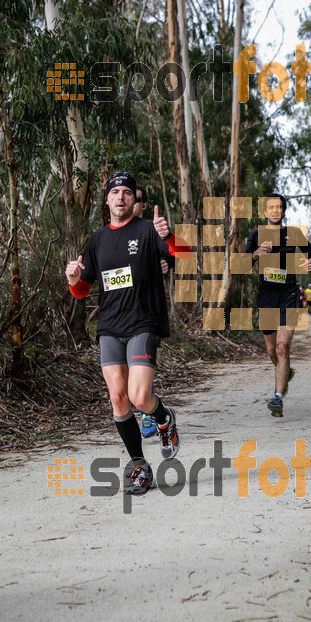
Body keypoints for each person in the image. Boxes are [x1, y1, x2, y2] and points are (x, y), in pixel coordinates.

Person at [65, 171, 189, 495]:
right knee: (118, 400)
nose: (121, 197)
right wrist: (73, 278)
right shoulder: (97, 240)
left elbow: (185, 257)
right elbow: (82, 291)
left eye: (127, 193)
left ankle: (164, 418)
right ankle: (139, 466)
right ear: (106, 199)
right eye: (115, 192)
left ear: (134, 199)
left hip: (142, 324)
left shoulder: (148, 230)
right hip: (109, 327)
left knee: (138, 397)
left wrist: (171, 236)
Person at [244, 194, 311, 418]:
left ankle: (277, 397)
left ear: (284, 211)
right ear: (265, 212)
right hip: (266, 295)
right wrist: (255, 254)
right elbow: (243, 263)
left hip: (289, 294)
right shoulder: (256, 234)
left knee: (282, 347)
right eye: (271, 208)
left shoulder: (293, 233)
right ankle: (285, 373)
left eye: (279, 207)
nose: (275, 211)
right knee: (271, 350)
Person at [133, 186, 175, 439]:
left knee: (140, 367)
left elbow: (176, 253)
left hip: (146, 313)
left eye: (136, 198)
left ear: (144, 205)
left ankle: (148, 414)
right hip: (117, 317)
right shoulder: (109, 234)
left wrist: (166, 262)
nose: (129, 201)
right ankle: (146, 410)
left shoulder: (152, 228)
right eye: (121, 194)